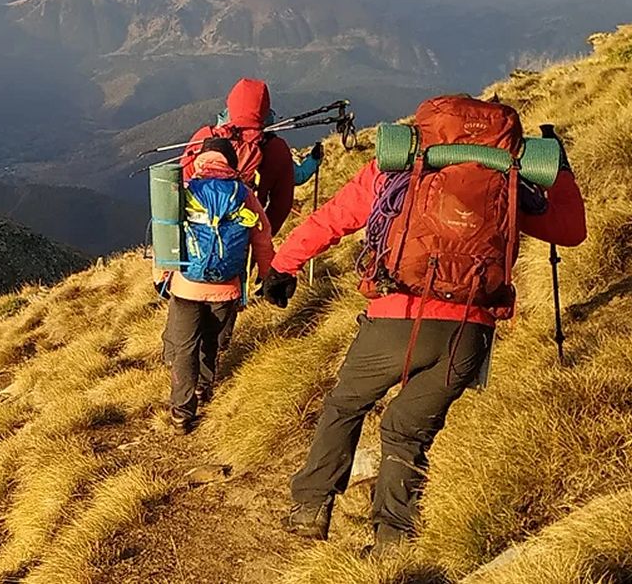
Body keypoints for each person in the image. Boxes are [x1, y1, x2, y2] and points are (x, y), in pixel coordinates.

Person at [258, 95, 587, 551]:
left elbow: (332, 220)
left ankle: (311, 506)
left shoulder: (399, 169)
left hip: (397, 315)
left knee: (346, 406)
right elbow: (571, 231)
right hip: (468, 330)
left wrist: (283, 268)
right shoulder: (506, 179)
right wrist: (563, 172)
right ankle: (393, 539)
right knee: (407, 431)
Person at [164, 137, 274, 433]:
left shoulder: (186, 191)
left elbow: (166, 232)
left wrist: (162, 274)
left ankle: (181, 413)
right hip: (227, 286)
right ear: (231, 163)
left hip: (187, 284)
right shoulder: (243, 194)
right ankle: (203, 387)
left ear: (201, 160)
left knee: (184, 348)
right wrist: (267, 275)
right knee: (211, 339)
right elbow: (262, 237)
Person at [180, 79, 304, 237]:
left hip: (197, 234)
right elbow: (281, 205)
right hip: (244, 235)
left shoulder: (205, 138)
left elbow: (181, 183)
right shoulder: (276, 149)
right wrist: (261, 238)